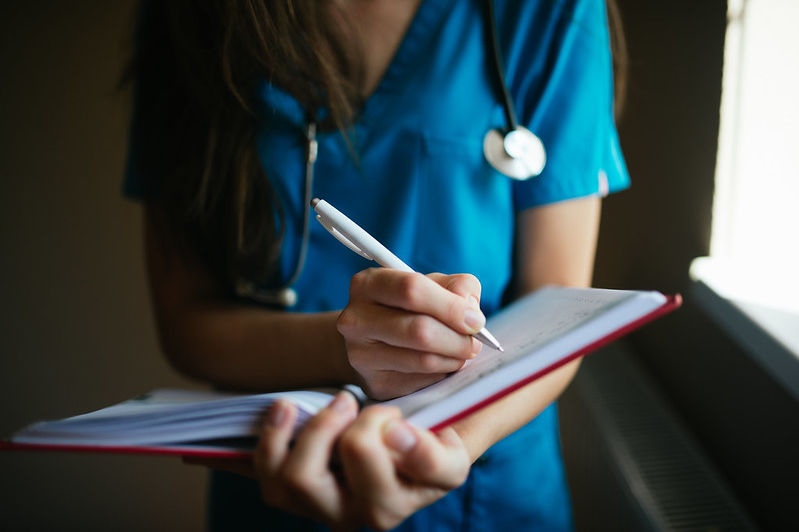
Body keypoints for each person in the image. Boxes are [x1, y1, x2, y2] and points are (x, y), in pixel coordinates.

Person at [124, 0, 629, 529]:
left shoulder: (552, 12)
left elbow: (558, 311)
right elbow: (186, 325)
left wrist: (450, 442)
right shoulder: (187, 19)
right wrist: (350, 347)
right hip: (274, 481)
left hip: (486, 491)